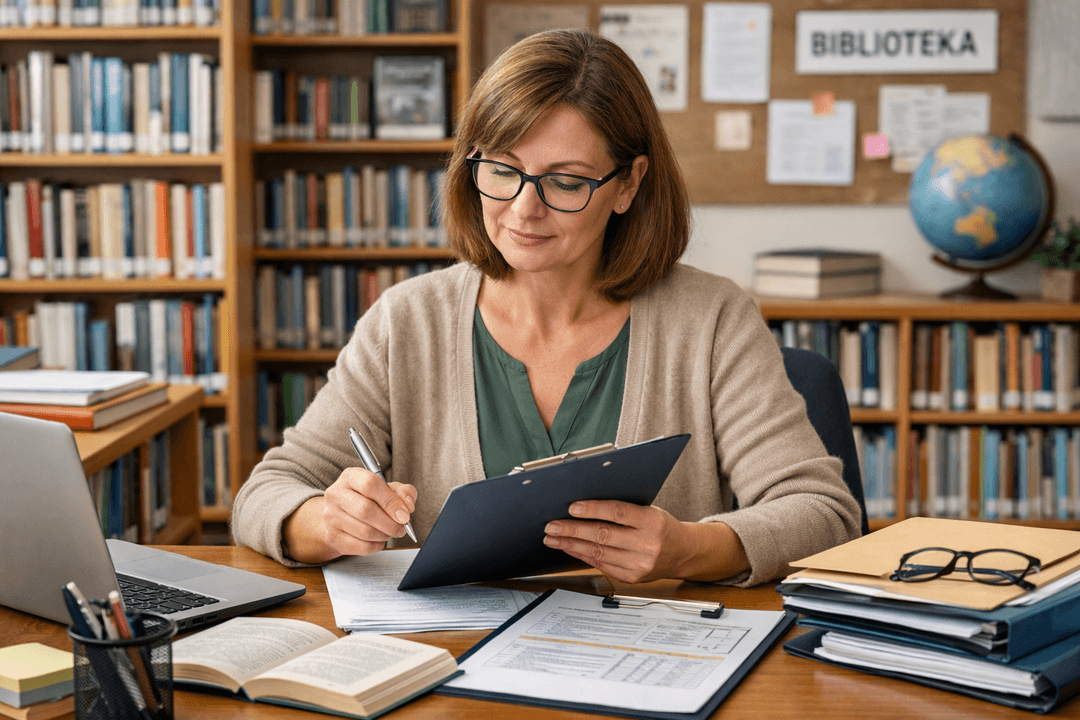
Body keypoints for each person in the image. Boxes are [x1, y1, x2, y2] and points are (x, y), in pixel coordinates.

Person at [232, 28, 862, 587]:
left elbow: (823, 512)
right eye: (503, 170)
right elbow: (265, 494)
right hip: (456, 672)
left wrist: (690, 549)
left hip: (652, 662)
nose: (523, 209)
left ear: (628, 184)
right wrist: (322, 521)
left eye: (565, 182)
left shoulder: (712, 319)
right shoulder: (408, 321)